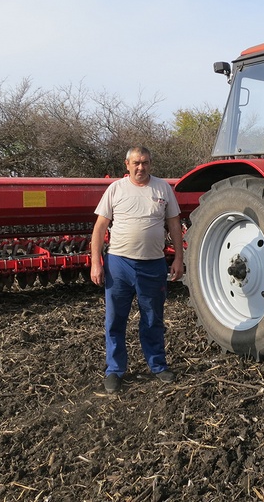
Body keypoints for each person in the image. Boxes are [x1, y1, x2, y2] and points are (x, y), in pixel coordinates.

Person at [90, 146, 184, 393]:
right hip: (119, 264)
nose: (141, 167)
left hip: (153, 264)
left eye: (145, 163)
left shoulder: (163, 189)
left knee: (153, 318)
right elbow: (100, 228)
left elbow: (174, 225)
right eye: (136, 163)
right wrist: (96, 262)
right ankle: (114, 370)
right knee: (115, 319)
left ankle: (158, 365)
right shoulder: (116, 190)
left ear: (151, 164)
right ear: (127, 165)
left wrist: (178, 259)